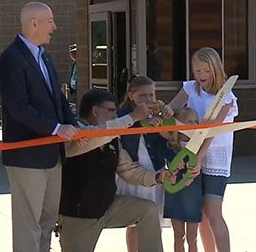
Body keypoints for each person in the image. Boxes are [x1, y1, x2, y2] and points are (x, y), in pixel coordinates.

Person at [0, 2, 79, 252]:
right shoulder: (11, 58)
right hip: (26, 157)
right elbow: (19, 107)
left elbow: (58, 99)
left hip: (52, 155)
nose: (54, 27)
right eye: (50, 21)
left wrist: (73, 128)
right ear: (34, 23)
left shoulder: (45, 56)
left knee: (46, 221)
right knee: (28, 225)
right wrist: (56, 128)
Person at [57, 88, 170, 252]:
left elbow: (128, 170)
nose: (115, 116)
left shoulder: (112, 138)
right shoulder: (74, 134)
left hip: (108, 207)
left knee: (148, 210)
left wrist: (157, 177)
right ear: (95, 111)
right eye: (111, 111)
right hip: (79, 216)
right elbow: (94, 138)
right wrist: (132, 117)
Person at [168, 47, 239, 252]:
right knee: (200, 213)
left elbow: (212, 130)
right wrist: (161, 113)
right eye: (197, 71)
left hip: (215, 155)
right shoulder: (190, 88)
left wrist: (198, 158)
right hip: (191, 152)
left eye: (206, 71)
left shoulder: (226, 96)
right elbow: (171, 110)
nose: (201, 76)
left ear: (215, 69)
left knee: (213, 210)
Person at [116, 76, 174, 252]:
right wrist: (141, 122)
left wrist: (165, 121)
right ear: (131, 96)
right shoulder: (123, 114)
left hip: (155, 170)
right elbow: (121, 129)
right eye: (142, 96)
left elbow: (171, 138)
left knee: (154, 219)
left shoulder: (158, 114)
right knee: (133, 222)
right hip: (133, 173)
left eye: (151, 95)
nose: (148, 100)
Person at [164, 107, 203, 252]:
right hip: (175, 194)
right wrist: (174, 167)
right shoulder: (171, 146)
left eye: (195, 121)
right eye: (188, 121)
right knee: (178, 235)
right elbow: (168, 168)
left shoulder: (199, 146)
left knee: (192, 237)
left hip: (192, 193)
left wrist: (190, 177)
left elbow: (199, 166)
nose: (193, 124)